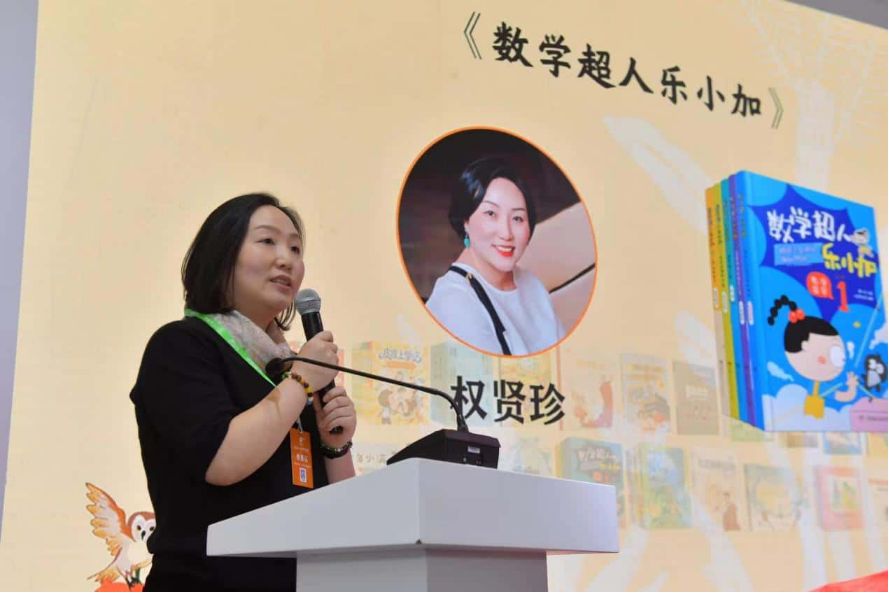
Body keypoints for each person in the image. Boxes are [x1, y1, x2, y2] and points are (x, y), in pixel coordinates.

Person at [130, 193, 358, 591]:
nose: (287, 259)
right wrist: (301, 381)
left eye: (295, 249)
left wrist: (335, 445)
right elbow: (223, 460)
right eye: (268, 241)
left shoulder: (286, 370)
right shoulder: (182, 346)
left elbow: (342, 516)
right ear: (222, 254)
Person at [425, 156, 565, 356]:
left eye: (517, 218)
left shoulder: (531, 284)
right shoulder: (454, 302)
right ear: (465, 220)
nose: (506, 233)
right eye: (491, 214)